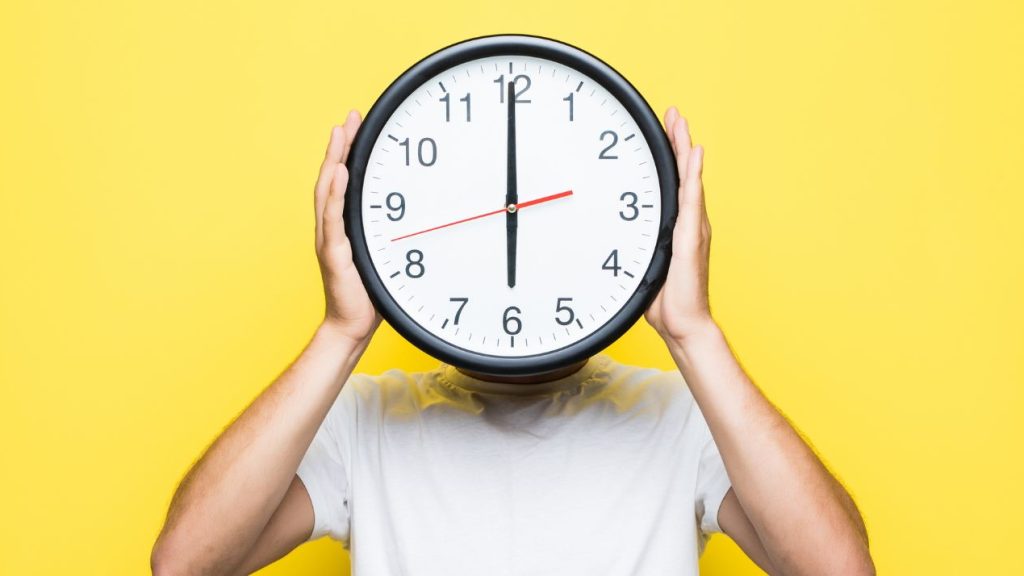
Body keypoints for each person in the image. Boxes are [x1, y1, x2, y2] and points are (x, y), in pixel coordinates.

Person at [151, 108, 875, 576]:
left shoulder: (680, 418)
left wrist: (694, 332)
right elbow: (185, 564)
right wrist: (342, 332)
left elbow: (839, 571)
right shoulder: (366, 422)